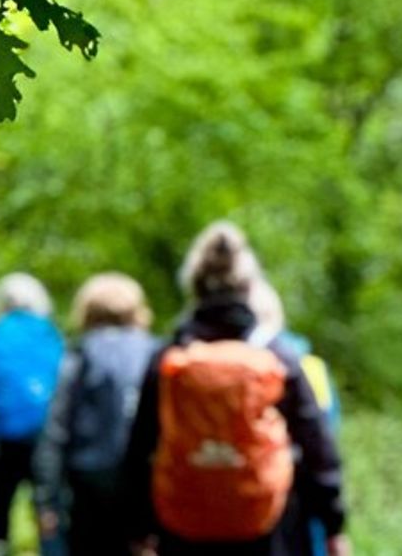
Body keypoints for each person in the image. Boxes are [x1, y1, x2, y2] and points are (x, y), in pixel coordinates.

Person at [121, 222, 350, 556]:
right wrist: (333, 527)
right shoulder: (278, 354)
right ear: (248, 288)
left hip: (185, 528)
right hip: (268, 526)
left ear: (193, 287)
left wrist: (140, 527)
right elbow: (317, 448)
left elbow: (140, 448)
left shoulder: (169, 357)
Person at [34, 271, 159, 555]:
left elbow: (55, 431)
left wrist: (47, 499)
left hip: (88, 487)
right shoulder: (155, 351)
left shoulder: (79, 356)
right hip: (144, 486)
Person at [248, 278, 343, 556]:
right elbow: (325, 444)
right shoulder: (311, 368)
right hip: (301, 512)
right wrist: (333, 525)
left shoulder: (221, 371)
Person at [0, 273, 64, 556]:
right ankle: (49, 548)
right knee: (46, 505)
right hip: (46, 435)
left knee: (1, 500)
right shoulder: (52, 335)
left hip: (4, 432)